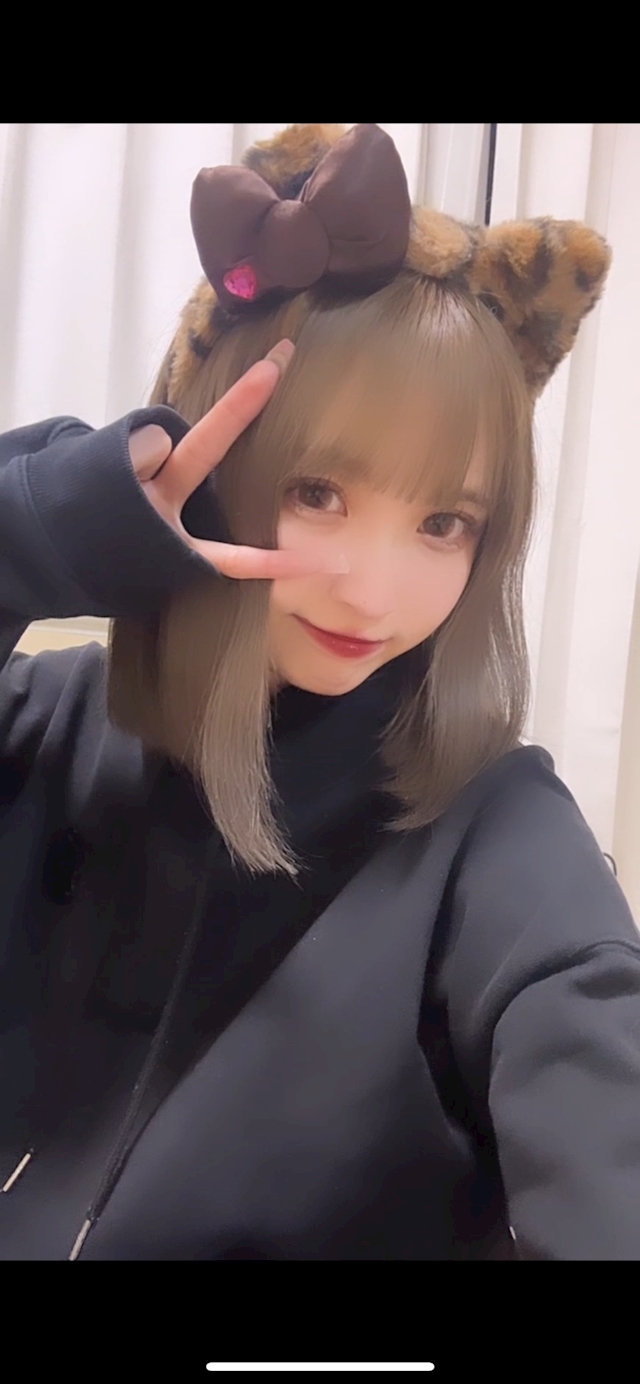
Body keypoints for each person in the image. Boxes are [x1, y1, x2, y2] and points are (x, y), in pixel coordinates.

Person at [0, 122, 638, 1262]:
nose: (374, 592)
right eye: (318, 492)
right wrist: (48, 531)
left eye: (443, 521)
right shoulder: (45, 729)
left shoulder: (494, 839)